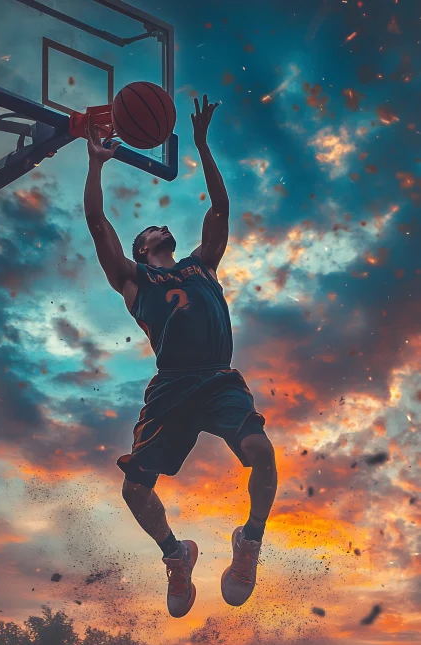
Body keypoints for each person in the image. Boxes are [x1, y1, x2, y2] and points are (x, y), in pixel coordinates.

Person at [84, 95, 278, 618]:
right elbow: (98, 225)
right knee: (134, 489)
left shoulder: (201, 264)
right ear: (142, 246)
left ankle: (249, 544)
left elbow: (220, 208)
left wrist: (200, 144)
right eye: (147, 229)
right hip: (171, 385)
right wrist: (94, 162)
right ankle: (176, 554)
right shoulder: (133, 280)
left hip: (218, 379)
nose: (157, 226)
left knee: (263, 454)